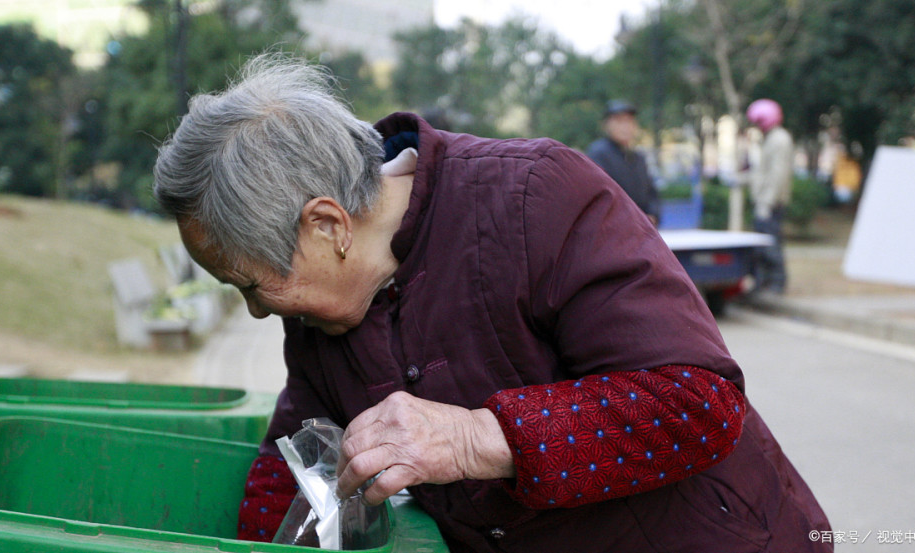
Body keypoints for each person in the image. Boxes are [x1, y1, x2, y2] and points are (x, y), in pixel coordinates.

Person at [153, 55, 831, 552]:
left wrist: (478, 436)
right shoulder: (320, 321)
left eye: (249, 283)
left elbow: (697, 402)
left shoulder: (536, 196)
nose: (256, 312)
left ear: (327, 224)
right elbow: (297, 456)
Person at [745, 99, 794, 294]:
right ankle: (762, 282)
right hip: (764, 202)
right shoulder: (771, 138)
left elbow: (777, 174)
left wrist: (766, 202)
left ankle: (776, 284)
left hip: (770, 204)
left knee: (771, 246)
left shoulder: (779, 139)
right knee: (761, 248)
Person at [585, 100, 660, 225]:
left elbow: (652, 194)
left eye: (629, 121)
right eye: (619, 121)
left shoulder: (638, 157)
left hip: (641, 230)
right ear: (606, 124)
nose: (625, 126)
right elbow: (601, 195)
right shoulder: (599, 153)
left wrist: (652, 215)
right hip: (613, 230)